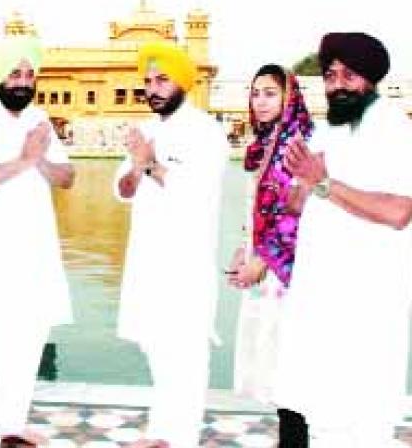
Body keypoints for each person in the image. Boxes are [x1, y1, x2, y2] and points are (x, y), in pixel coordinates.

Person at [272, 32, 412, 447]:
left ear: (369, 80)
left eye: (348, 76)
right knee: (321, 413)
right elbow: (308, 201)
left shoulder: (395, 130)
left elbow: (399, 211)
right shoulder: (331, 131)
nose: (336, 85)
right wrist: (295, 189)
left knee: (364, 421)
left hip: (368, 303)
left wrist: (322, 185)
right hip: (320, 297)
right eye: (330, 76)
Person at [0, 35, 75, 447]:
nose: (23, 81)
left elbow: (67, 177)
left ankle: (12, 429)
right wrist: (24, 160)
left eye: (28, 73)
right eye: (14, 73)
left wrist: (39, 156)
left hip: (35, 254)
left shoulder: (39, 120)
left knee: (28, 345)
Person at [114, 40, 228, 448]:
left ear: (182, 83)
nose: (153, 88)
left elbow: (195, 190)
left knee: (186, 360)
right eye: (148, 81)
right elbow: (124, 188)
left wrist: (148, 162)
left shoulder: (206, 133)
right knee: (159, 355)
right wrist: (133, 169)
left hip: (185, 267)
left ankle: (179, 438)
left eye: (162, 80)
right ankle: (162, 434)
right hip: (148, 263)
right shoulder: (146, 130)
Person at [226, 64, 312, 446]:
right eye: (255, 93)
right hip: (270, 270)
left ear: (289, 97)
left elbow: (298, 214)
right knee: (276, 366)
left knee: (292, 366)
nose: (259, 102)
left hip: (290, 274)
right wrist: (245, 248)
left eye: (270, 93)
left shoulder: (296, 145)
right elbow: (259, 210)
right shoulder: (266, 143)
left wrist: (262, 260)